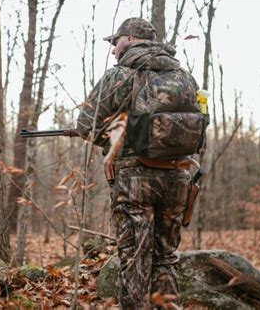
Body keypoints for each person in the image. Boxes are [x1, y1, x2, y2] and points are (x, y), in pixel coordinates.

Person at [76, 17, 201, 308]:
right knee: (165, 258)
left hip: (135, 181)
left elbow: (86, 125)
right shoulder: (184, 76)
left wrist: (115, 142)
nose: (113, 50)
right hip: (178, 177)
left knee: (134, 260)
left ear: (130, 39)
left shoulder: (119, 75)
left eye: (115, 42)